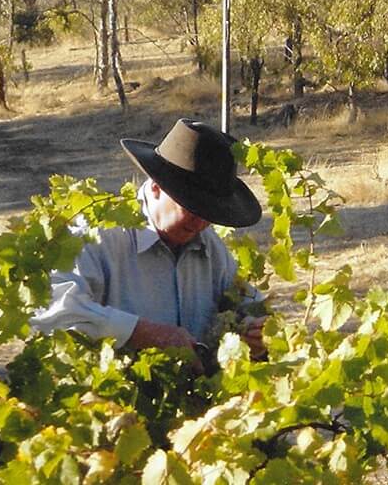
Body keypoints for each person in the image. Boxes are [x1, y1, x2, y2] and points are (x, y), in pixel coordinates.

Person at [31, 118, 266, 363]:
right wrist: (139, 333)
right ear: (156, 187)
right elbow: (53, 313)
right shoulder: (97, 236)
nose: (200, 224)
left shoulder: (211, 248)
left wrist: (253, 334)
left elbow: (246, 307)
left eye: (209, 214)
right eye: (192, 208)